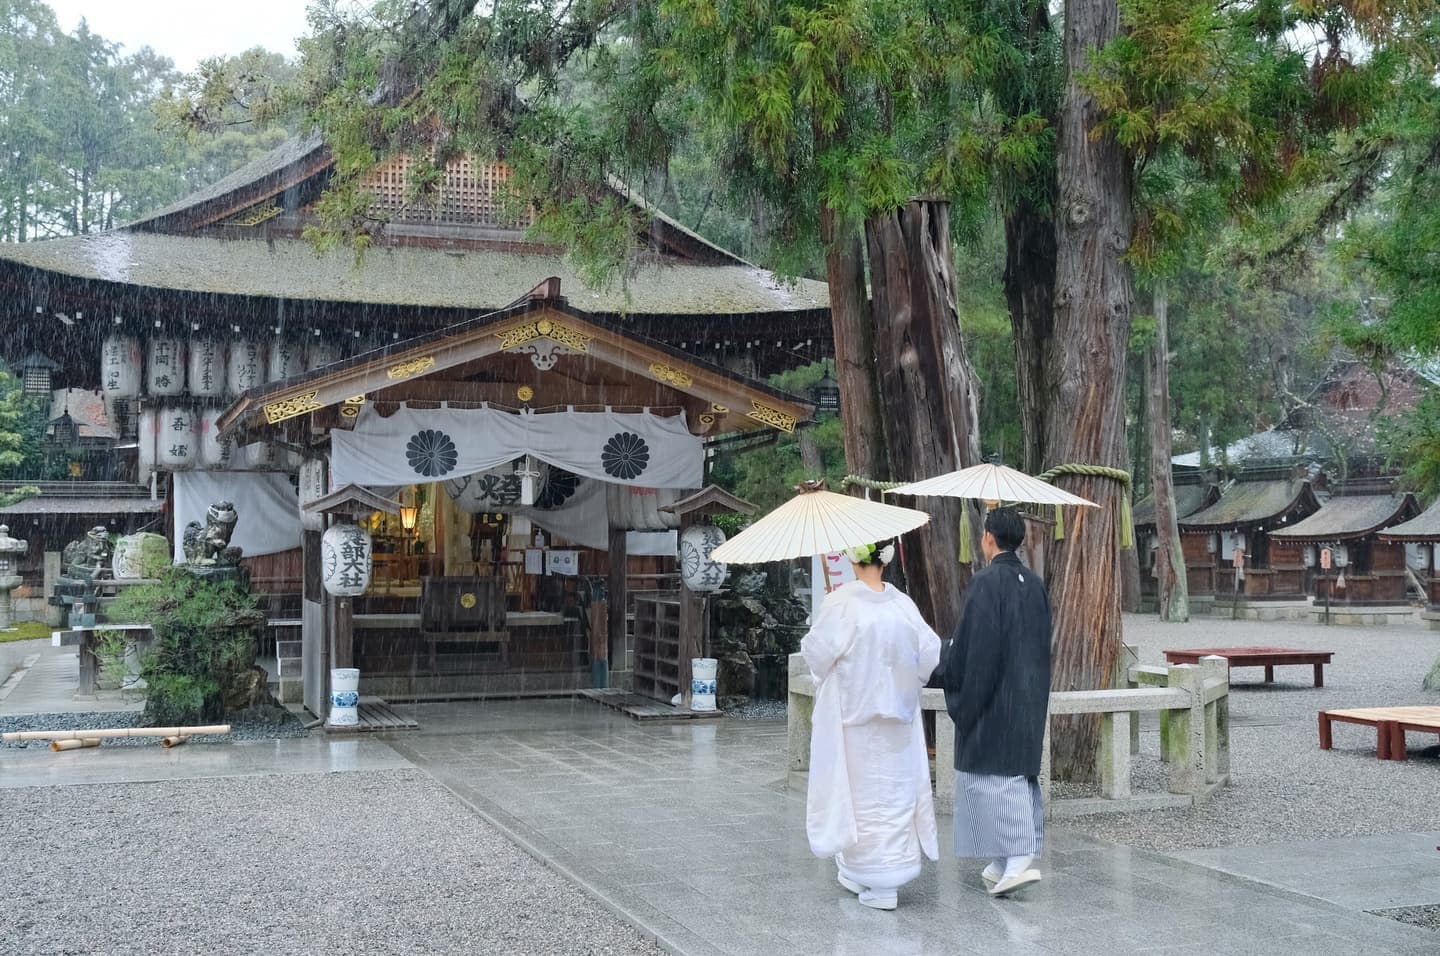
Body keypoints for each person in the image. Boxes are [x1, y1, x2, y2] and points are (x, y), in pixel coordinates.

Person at [801, 540, 943, 911]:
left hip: (856, 721)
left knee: (859, 799)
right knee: (894, 797)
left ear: (853, 558)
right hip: (897, 722)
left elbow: (816, 657)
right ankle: (866, 873)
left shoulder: (841, 603)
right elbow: (929, 652)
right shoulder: (903, 605)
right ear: (887, 558)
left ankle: (878, 882)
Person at [942, 507, 1052, 897]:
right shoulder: (1034, 584)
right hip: (1027, 693)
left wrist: (951, 666)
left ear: (988, 538)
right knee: (1008, 776)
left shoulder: (986, 583)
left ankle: (1018, 857)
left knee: (998, 781)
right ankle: (1001, 861)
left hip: (993, 695)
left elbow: (976, 645)